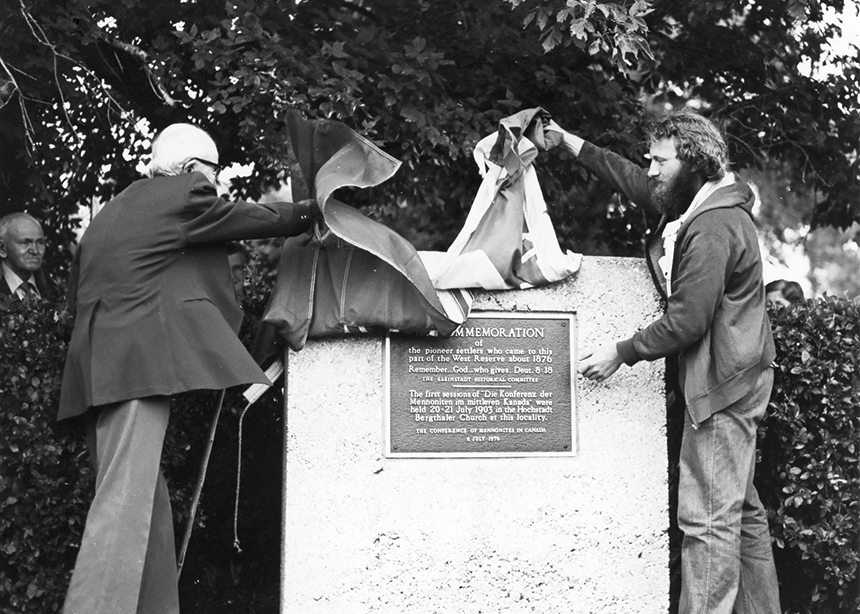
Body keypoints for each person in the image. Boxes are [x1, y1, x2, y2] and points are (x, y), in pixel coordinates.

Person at [58, 123, 320, 614]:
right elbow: (238, 217)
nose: (216, 183)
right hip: (133, 368)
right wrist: (308, 213)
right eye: (213, 171)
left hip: (97, 369)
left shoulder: (119, 207)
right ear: (188, 168)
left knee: (146, 506)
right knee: (122, 506)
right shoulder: (182, 191)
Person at [549, 109, 780, 613]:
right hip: (740, 371)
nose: (650, 169)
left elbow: (687, 322)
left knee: (707, 520)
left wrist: (621, 352)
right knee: (739, 512)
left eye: (660, 161)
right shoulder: (696, 202)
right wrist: (569, 142)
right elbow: (635, 182)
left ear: (693, 163)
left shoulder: (713, 225)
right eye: (649, 159)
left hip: (724, 382)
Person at [0, 212, 53, 301]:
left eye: (40, 242)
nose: (35, 251)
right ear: (2, 249)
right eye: (25, 243)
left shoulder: (53, 288)